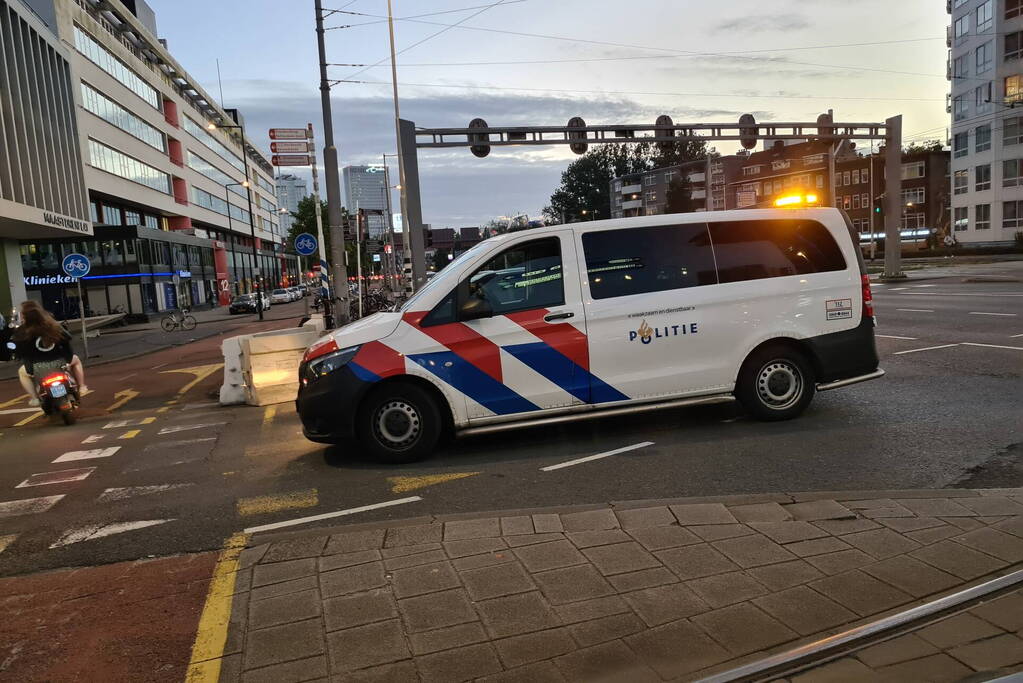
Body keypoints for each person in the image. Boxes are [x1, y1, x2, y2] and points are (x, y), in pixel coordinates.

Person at [12, 301, 87, 406]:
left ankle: (34, 398)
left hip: (38, 367)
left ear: (24, 316)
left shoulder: (22, 331)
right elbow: (67, 339)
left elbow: (21, 351)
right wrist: (68, 359)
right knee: (77, 361)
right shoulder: (52, 325)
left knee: (22, 373)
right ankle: (82, 386)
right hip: (59, 362)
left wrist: (28, 366)